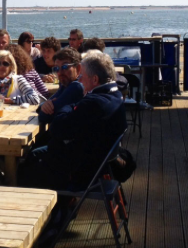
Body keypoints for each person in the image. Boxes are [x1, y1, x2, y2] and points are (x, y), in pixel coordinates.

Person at [19, 52, 126, 191]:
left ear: (94, 79)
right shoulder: (115, 94)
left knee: (29, 161)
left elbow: (56, 128)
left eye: (83, 76)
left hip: (84, 171)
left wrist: (68, 106)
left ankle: (51, 206)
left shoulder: (94, 102)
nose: (80, 80)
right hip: (102, 161)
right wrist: (72, 106)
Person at [37, 47, 85, 127]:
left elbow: (45, 116)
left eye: (65, 67)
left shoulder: (77, 86)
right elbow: (42, 108)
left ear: (78, 68)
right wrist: (43, 105)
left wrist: (44, 107)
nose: (60, 72)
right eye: (56, 68)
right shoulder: (65, 85)